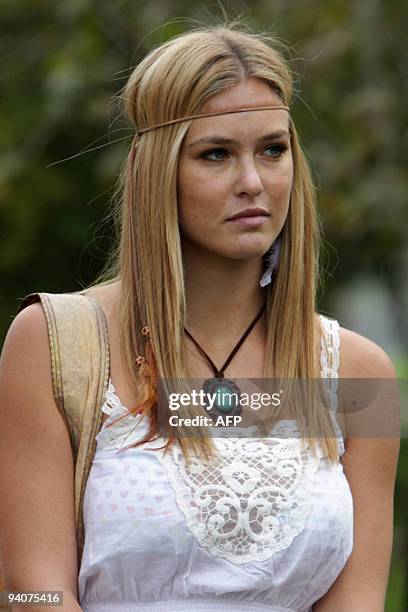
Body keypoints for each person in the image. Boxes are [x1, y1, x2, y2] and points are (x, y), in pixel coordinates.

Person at [0, 20, 400, 612]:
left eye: (273, 150)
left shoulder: (361, 378)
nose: (253, 182)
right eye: (216, 154)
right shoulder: (55, 344)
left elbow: (359, 602)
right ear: (158, 171)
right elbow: (30, 593)